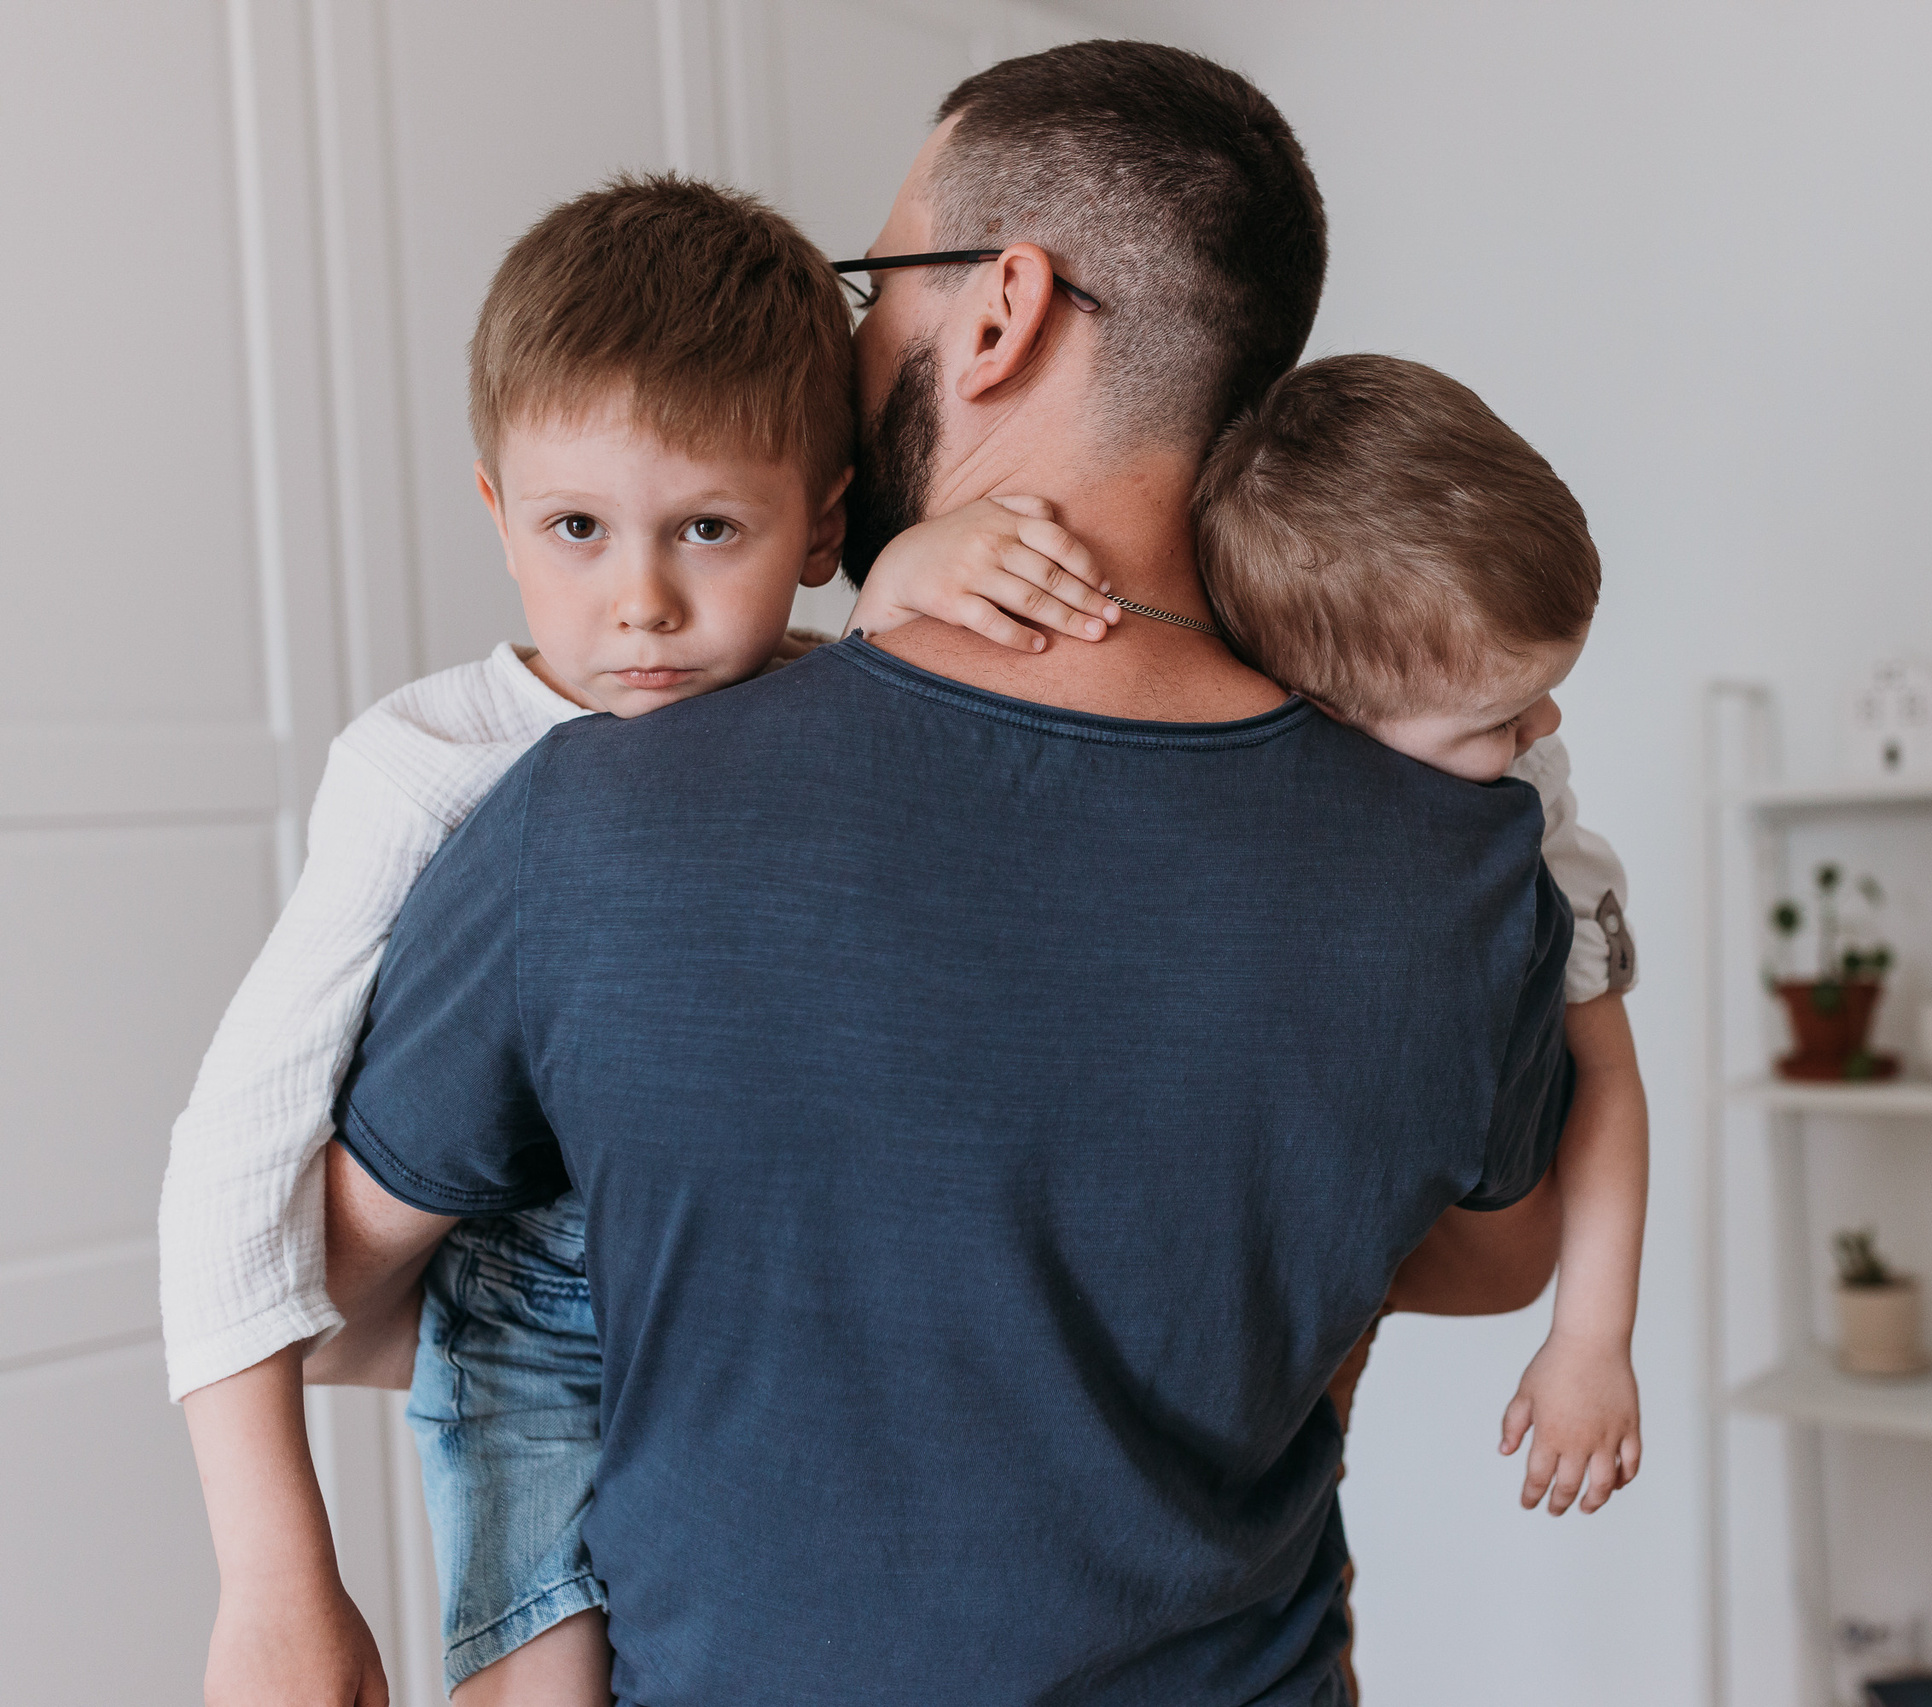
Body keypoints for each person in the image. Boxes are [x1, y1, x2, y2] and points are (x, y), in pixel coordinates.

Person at [316, 40, 1573, 1706]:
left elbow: (324, 1298)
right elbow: (1499, 1260)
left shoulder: (599, 817)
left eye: (878, 285)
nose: (850, 343)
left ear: (1000, 312)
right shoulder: (1463, 869)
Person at [160, 174, 1121, 1707]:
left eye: (711, 528)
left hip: (786, 1313)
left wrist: (906, 594)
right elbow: (230, 1157)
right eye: (577, 529)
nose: (643, 605)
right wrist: (277, 1574)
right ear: (495, 509)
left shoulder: (839, 693)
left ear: (822, 521)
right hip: (529, 1334)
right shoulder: (425, 766)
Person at [1197, 352, 1649, 1518]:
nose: (1545, 725)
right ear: (1326, 709)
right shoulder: (1216, 741)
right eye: (1500, 716)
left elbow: (1604, 1076)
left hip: (1459, 1222)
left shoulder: (1527, 812)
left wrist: (1590, 1341)